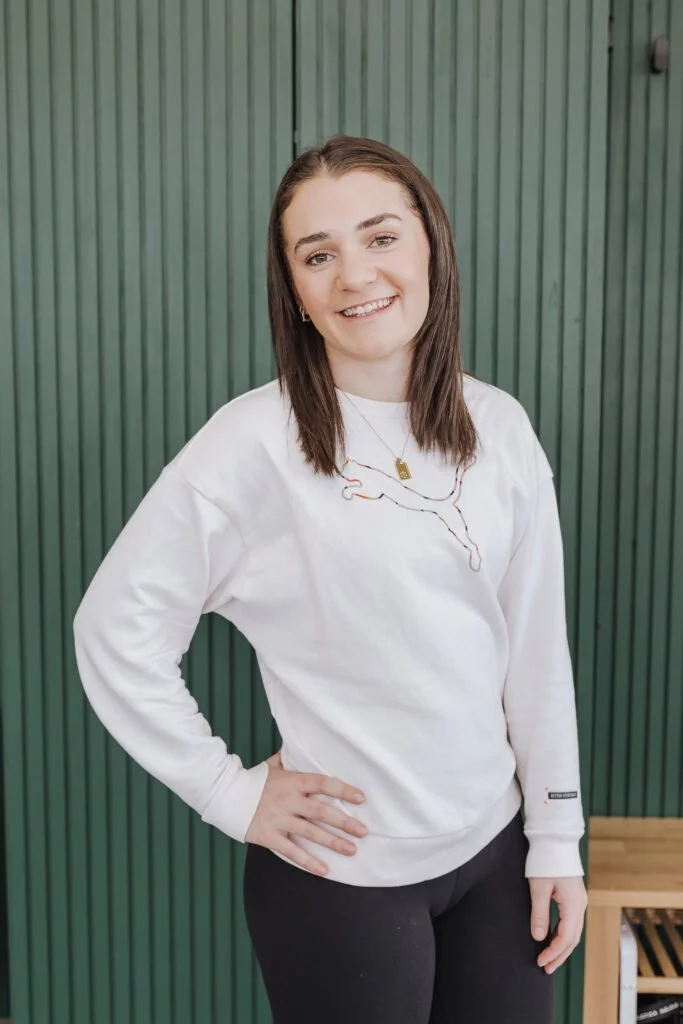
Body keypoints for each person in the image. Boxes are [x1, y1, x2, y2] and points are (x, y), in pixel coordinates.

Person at [73, 134, 587, 1023]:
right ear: (296, 292)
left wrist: (556, 839)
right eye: (319, 255)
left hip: (498, 860)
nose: (355, 274)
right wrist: (228, 792)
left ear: (430, 245)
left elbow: (536, 656)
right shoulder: (251, 446)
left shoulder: (499, 428)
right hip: (341, 882)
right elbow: (113, 630)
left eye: (380, 237)